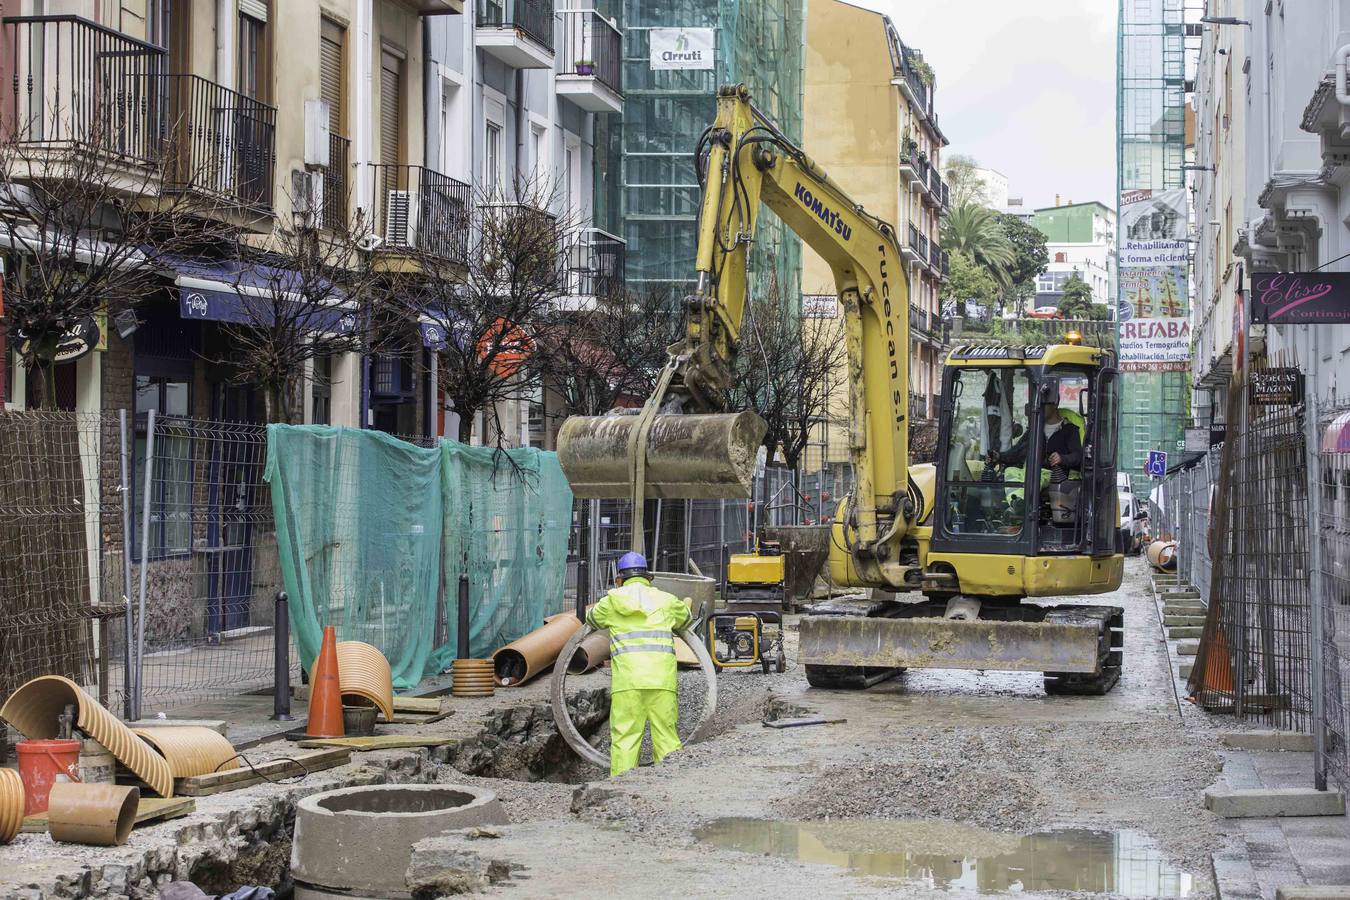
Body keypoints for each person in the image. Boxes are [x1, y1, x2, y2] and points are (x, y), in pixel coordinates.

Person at [585, 551, 691, 776]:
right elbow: (686, 619)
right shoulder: (666, 599)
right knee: (666, 738)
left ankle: (620, 794)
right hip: (662, 682)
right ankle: (670, 790)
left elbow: (591, 619)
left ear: (619, 579)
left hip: (628, 683)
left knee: (625, 739)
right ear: (647, 577)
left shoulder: (612, 601)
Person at [994, 401, 1083, 474]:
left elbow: (1077, 456)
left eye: (1043, 404)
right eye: (1038, 404)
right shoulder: (1034, 430)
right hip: (1032, 480)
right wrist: (999, 456)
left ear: (1055, 404)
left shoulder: (1070, 429)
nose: (1039, 407)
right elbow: (1016, 452)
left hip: (1056, 481)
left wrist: (1062, 458)